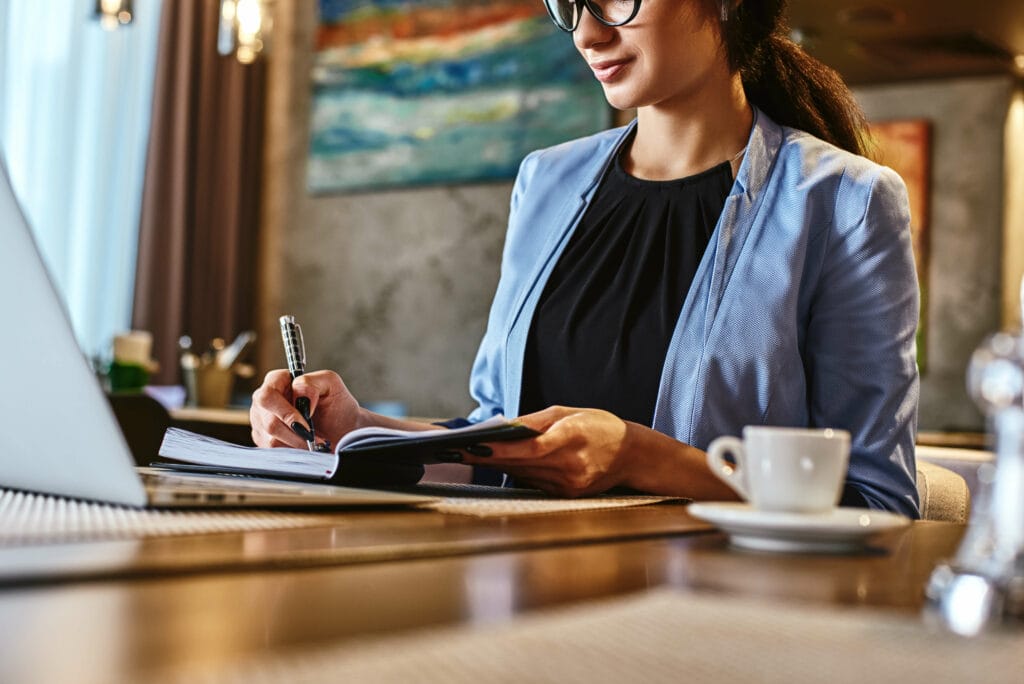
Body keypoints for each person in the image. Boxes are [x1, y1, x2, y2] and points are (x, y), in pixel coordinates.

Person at [251, 0, 921, 517]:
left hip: (722, 622)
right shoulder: (544, 182)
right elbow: (499, 440)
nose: (588, 34)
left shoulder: (845, 202)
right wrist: (360, 430)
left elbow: (876, 501)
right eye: (572, 3)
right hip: (521, 604)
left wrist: (642, 458)